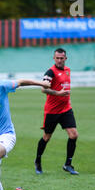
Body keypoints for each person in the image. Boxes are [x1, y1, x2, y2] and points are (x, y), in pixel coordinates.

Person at [34, 48, 79, 176]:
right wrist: (58, 93)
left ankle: (68, 164)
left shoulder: (68, 70)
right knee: (46, 137)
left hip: (66, 109)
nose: (59, 60)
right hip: (52, 111)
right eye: (57, 58)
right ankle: (38, 161)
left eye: (62, 58)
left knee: (74, 135)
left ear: (65, 58)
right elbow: (43, 89)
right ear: (54, 58)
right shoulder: (50, 72)